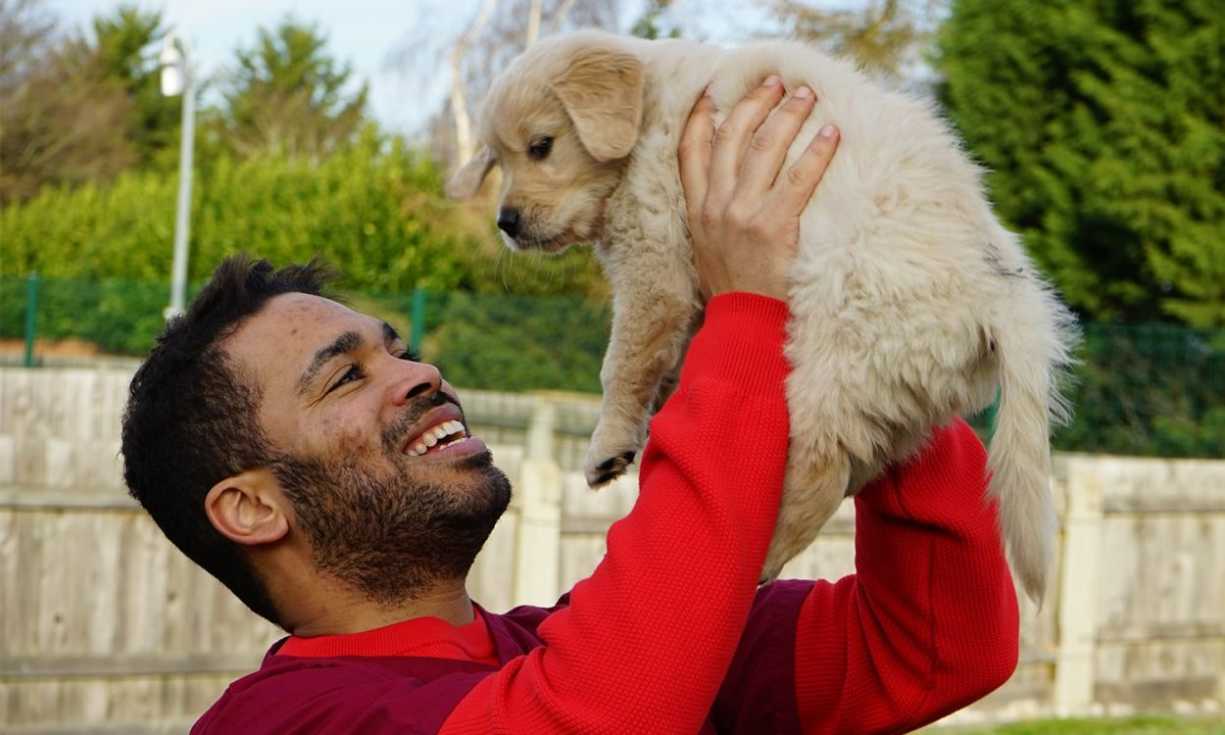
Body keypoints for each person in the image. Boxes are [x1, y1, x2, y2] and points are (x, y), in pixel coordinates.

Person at [121, 78, 1018, 735]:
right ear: (251, 505)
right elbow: (596, 717)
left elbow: (938, 644)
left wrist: (865, 316)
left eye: (395, 347)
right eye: (344, 377)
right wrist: (746, 316)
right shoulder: (286, 721)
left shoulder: (569, 647)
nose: (420, 372)